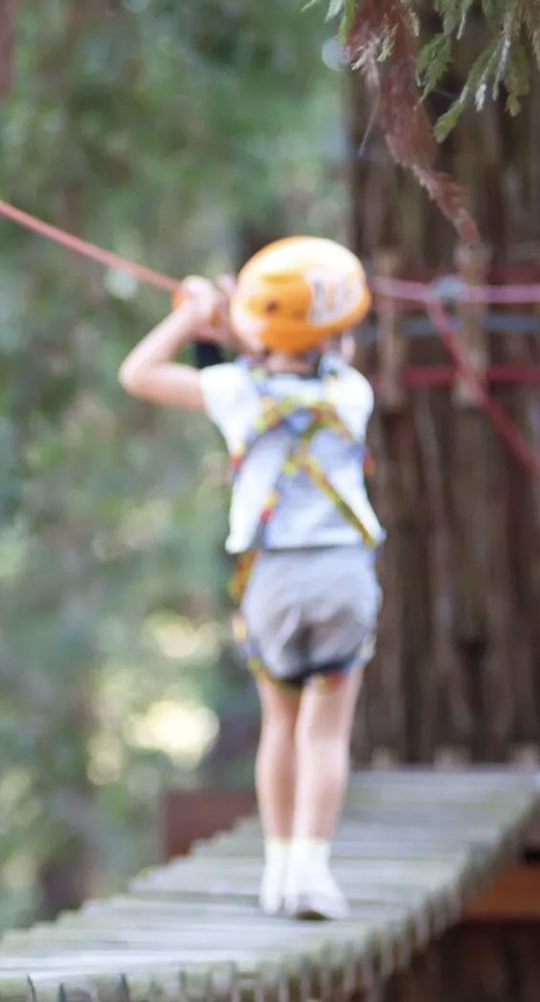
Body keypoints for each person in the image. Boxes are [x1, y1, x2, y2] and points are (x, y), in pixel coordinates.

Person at [116, 237, 383, 920]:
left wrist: (192, 314)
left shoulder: (233, 392)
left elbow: (139, 373)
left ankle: (277, 872)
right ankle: (313, 873)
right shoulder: (353, 393)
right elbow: (301, 341)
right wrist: (239, 314)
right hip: (343, 577)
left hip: (271, 581)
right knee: (325, 733)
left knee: (280, 726)